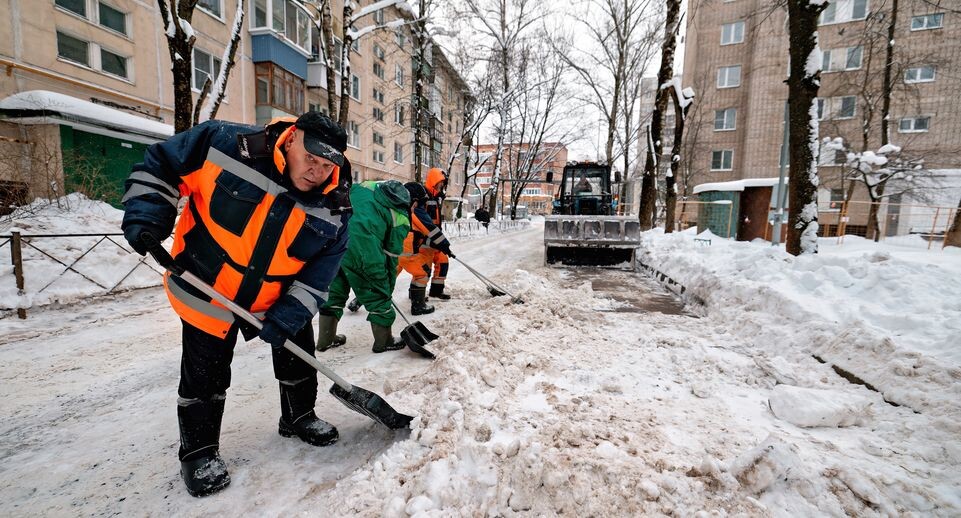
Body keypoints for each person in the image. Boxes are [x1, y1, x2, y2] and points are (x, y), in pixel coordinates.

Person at [121, 112, 352, 498]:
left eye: (327, 165)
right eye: (311, 158)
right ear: (292, 138)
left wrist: (290, 314)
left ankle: (298, 416)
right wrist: (148, 212)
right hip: (207, 287)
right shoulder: (224, 144)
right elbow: (160, 164)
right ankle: (198, 452)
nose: (316, 171)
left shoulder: (336, 205)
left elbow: (318, 277)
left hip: (279, 296)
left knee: (298, 354)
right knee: (205, 373)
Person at [315, 180, 412, 353]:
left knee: (334, 291)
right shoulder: (400, 217)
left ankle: (326, 339)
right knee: (377, 295)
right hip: (364, 252)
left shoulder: (363, 188)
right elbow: (391, 256)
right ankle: (384, 341)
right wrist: (386, 289)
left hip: (334, 242)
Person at [398, 182, 455, 315]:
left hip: (392, 252)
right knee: (422, 274)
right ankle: (418, 306)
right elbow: (431, 229)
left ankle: (360, 300)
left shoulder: (396, 209)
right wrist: (445, 246)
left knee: (386, 277)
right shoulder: (415, 211)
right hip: (408, 252)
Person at [422, 167, 452, 300]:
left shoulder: (436, 198)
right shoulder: (424, 196)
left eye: (443, 184)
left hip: (435, 239)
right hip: (424, 240)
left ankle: (436, 290)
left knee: (443, 261)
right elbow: (423, 222)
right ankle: (416, 294)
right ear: (434, 181)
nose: (442, 186)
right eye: (440, 183)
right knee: (424, 269)